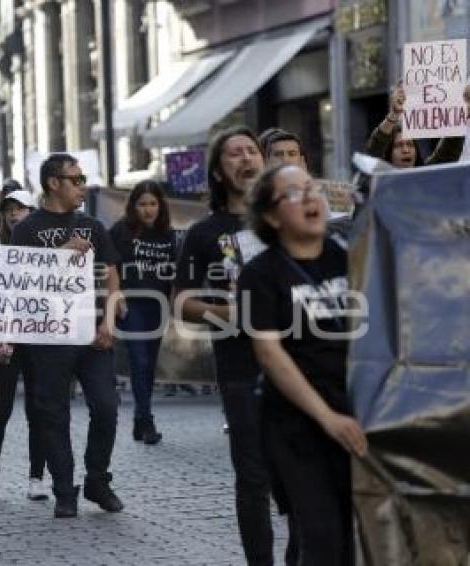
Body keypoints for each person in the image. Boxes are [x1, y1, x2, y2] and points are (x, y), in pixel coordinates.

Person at [239, 164, 368, 565]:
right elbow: (269, 353)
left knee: (357, 535)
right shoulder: (260, 275)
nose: (310, 197)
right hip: (296, 425)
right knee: (322, 535)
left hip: (359, 412)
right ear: (272, 217)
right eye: (292, 193)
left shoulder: (351, 259)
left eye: (312, 188)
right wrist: (326, 418)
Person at [174, 126, 286, 565]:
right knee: (253, 477)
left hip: (302, 361)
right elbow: (181, 301)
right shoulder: (204, 233)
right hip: (241, 365)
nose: (245, 158)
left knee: (299, 475)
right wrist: (229, 315)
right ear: (220, 173)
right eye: (234, 154)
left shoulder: (290, 215)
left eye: (251, 151)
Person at [11, 153, 124, 518]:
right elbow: (20, 281)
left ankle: (97, 479)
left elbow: (111, 276)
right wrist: (60, 254)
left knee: (106, 407)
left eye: (83, 178)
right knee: (53, 413)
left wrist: (108, 322)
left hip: (92, 334)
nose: (82, 186)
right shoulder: (27, 229)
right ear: (53, 183)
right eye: (75, 179)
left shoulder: (93, 226)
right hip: (49, 337)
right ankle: (64, 488)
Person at [0, 190, 48, 502]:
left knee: (38, 408)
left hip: (38, 337)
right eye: (9, 208)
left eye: (21, 208)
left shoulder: (47, 248)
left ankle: (37, 477)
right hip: (4, 336)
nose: (14, 213)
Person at [109, 180, 176, 445]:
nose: (148, 210)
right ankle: (146, 420)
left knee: (148, 364)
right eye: (142, 204)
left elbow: (175, 271)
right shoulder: (121, 231)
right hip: (131, 304)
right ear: (133, 206)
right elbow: (109, 264)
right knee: (140, 360)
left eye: (152, 204)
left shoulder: (169, 235)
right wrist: (116, 295)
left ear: (160, 206)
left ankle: (140, 419)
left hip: (157, 305)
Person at [365, 84, 463, 167]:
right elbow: (373, 153)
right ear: (388, 153)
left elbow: (448, 152)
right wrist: (394, 115)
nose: (406, 150)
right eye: (398, 146)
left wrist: (460, 112)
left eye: (410, 145)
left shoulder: (426, 176)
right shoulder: (380, 179)